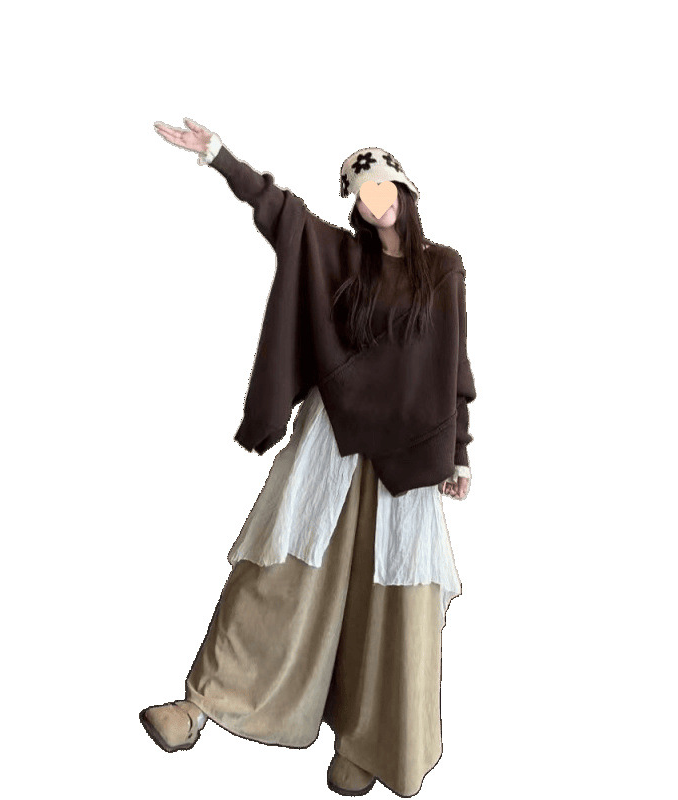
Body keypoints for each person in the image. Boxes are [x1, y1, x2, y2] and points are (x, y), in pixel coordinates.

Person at [140, 118, 476, 798]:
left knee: (394, 599)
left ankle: (371, 744)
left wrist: (460, 453)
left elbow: (452, 365)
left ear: (404, 190)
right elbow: (281, 213)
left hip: (409, 454)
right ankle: (202, 705)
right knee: (282, 570)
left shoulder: (442, 268)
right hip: (335, 437)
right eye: (363, 193)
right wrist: (218, 157)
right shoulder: (342, 257)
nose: (375, 201)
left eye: (383, 187)